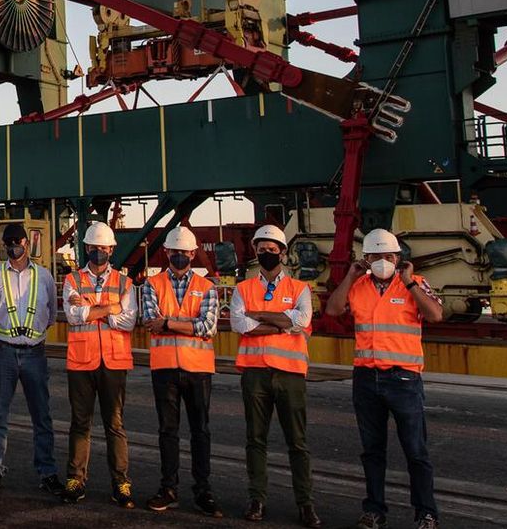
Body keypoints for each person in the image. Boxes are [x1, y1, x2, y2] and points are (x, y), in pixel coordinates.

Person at [323, 228, 444, 529]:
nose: (382, 261)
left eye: (388, 256)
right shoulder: (359, 285)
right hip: (366, 378)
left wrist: (409, 283)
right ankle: (374, 510)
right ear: (365, 259)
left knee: (416, 451)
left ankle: (426, 513)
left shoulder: (415, 284)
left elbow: (435, 315)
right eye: (375, 256)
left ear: (399, 258)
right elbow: (333, 309)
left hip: (403, 380)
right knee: (372, 450)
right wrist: (350, 276)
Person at [231, 225, 321, 528]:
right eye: (262, 249)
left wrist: (258, 316)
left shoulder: (300, 288)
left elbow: (302, 320)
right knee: (255, 440)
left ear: (283, 252)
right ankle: (256, 499)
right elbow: (239, 324)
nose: (266, 253)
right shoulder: (243, 288)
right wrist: (283, 322)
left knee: (298, 442)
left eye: (272, 249)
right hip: (255, 374)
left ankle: (305, 504)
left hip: (290, 374)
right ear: (256, 252)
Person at [140, 225, 222, 516]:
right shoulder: (153, 284)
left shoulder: (207, 288)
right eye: (175, 252)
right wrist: (187, 323)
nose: (179, 256)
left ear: (193, 253)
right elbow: (150, 320)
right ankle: (169, 488)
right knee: (168, 431)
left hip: (197, 369)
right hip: (164, 368)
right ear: (167, 252)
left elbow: (208, 327)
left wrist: (169, 323)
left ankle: (203, 491)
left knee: (200, 431)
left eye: (184, 253)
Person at [59, 221, 137, 508]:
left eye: (103, 247)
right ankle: (75, 479)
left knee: (114, 424)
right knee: (80, 424)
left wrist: (91, 309)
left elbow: (129, 320)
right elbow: (73, 316)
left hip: (114, 362)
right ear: (86, 248)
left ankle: (121, 482)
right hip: (81, 362)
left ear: (112, 249)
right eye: (94, 247)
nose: (98, 251)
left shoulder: (125, 282)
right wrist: (110, 309)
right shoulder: (72, 280)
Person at [0, 223, 58, 495]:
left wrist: (32, 336)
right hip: (3, 352)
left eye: (17, 240)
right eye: (9, 241)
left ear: (26, 241)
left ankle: (47, 472)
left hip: (35, 352)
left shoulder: (44, 276)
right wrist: (4, 334)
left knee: (42, 416)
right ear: (4, 244)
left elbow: (52, 312)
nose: (14, 245)